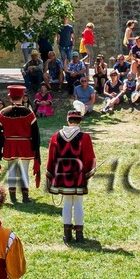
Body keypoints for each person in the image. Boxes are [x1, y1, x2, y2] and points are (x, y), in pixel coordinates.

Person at [46, 102, 95, 243]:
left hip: (62, 174)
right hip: (78, 174)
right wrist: (87, 174)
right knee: (78, 203)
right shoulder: (85, 137)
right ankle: (79, 234)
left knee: (67, 203)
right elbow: (89, 158)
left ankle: (67, 234)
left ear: (68, 120)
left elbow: (51, 158)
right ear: (80, 121)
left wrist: (50, 174)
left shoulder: (56, 136)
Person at [0, 84, 41, 204]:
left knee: (12, 169)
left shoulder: (3, 112)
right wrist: (35, 148)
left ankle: (13, 197)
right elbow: (35, 133)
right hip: (25, 145)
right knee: (24, 170)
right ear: (22, 96)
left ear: (9, 97)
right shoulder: (29, 112)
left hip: (10, 144)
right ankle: (25, 197)